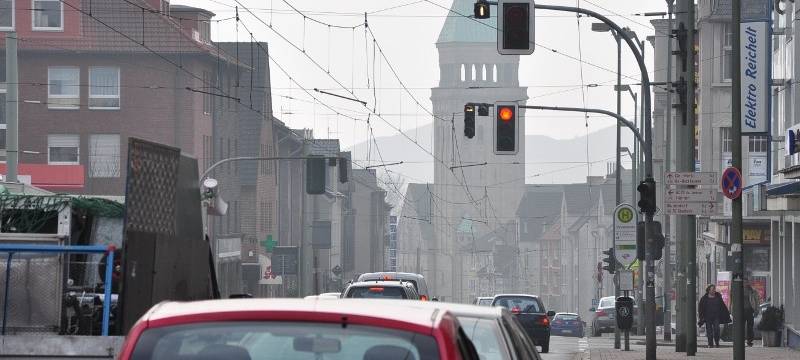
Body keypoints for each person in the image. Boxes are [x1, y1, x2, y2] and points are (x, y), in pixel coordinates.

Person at [743, 279, 761, 347]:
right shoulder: (738, 290)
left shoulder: (752, 291)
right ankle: (741, 339)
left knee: (750, 326)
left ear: (748, 283)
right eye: (744, 282)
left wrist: (757, 310)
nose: (745, 283)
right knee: (741, 326)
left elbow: (757, 301)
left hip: (750, 310)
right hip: (741, 311)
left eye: (746, 282)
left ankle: (749, 340)